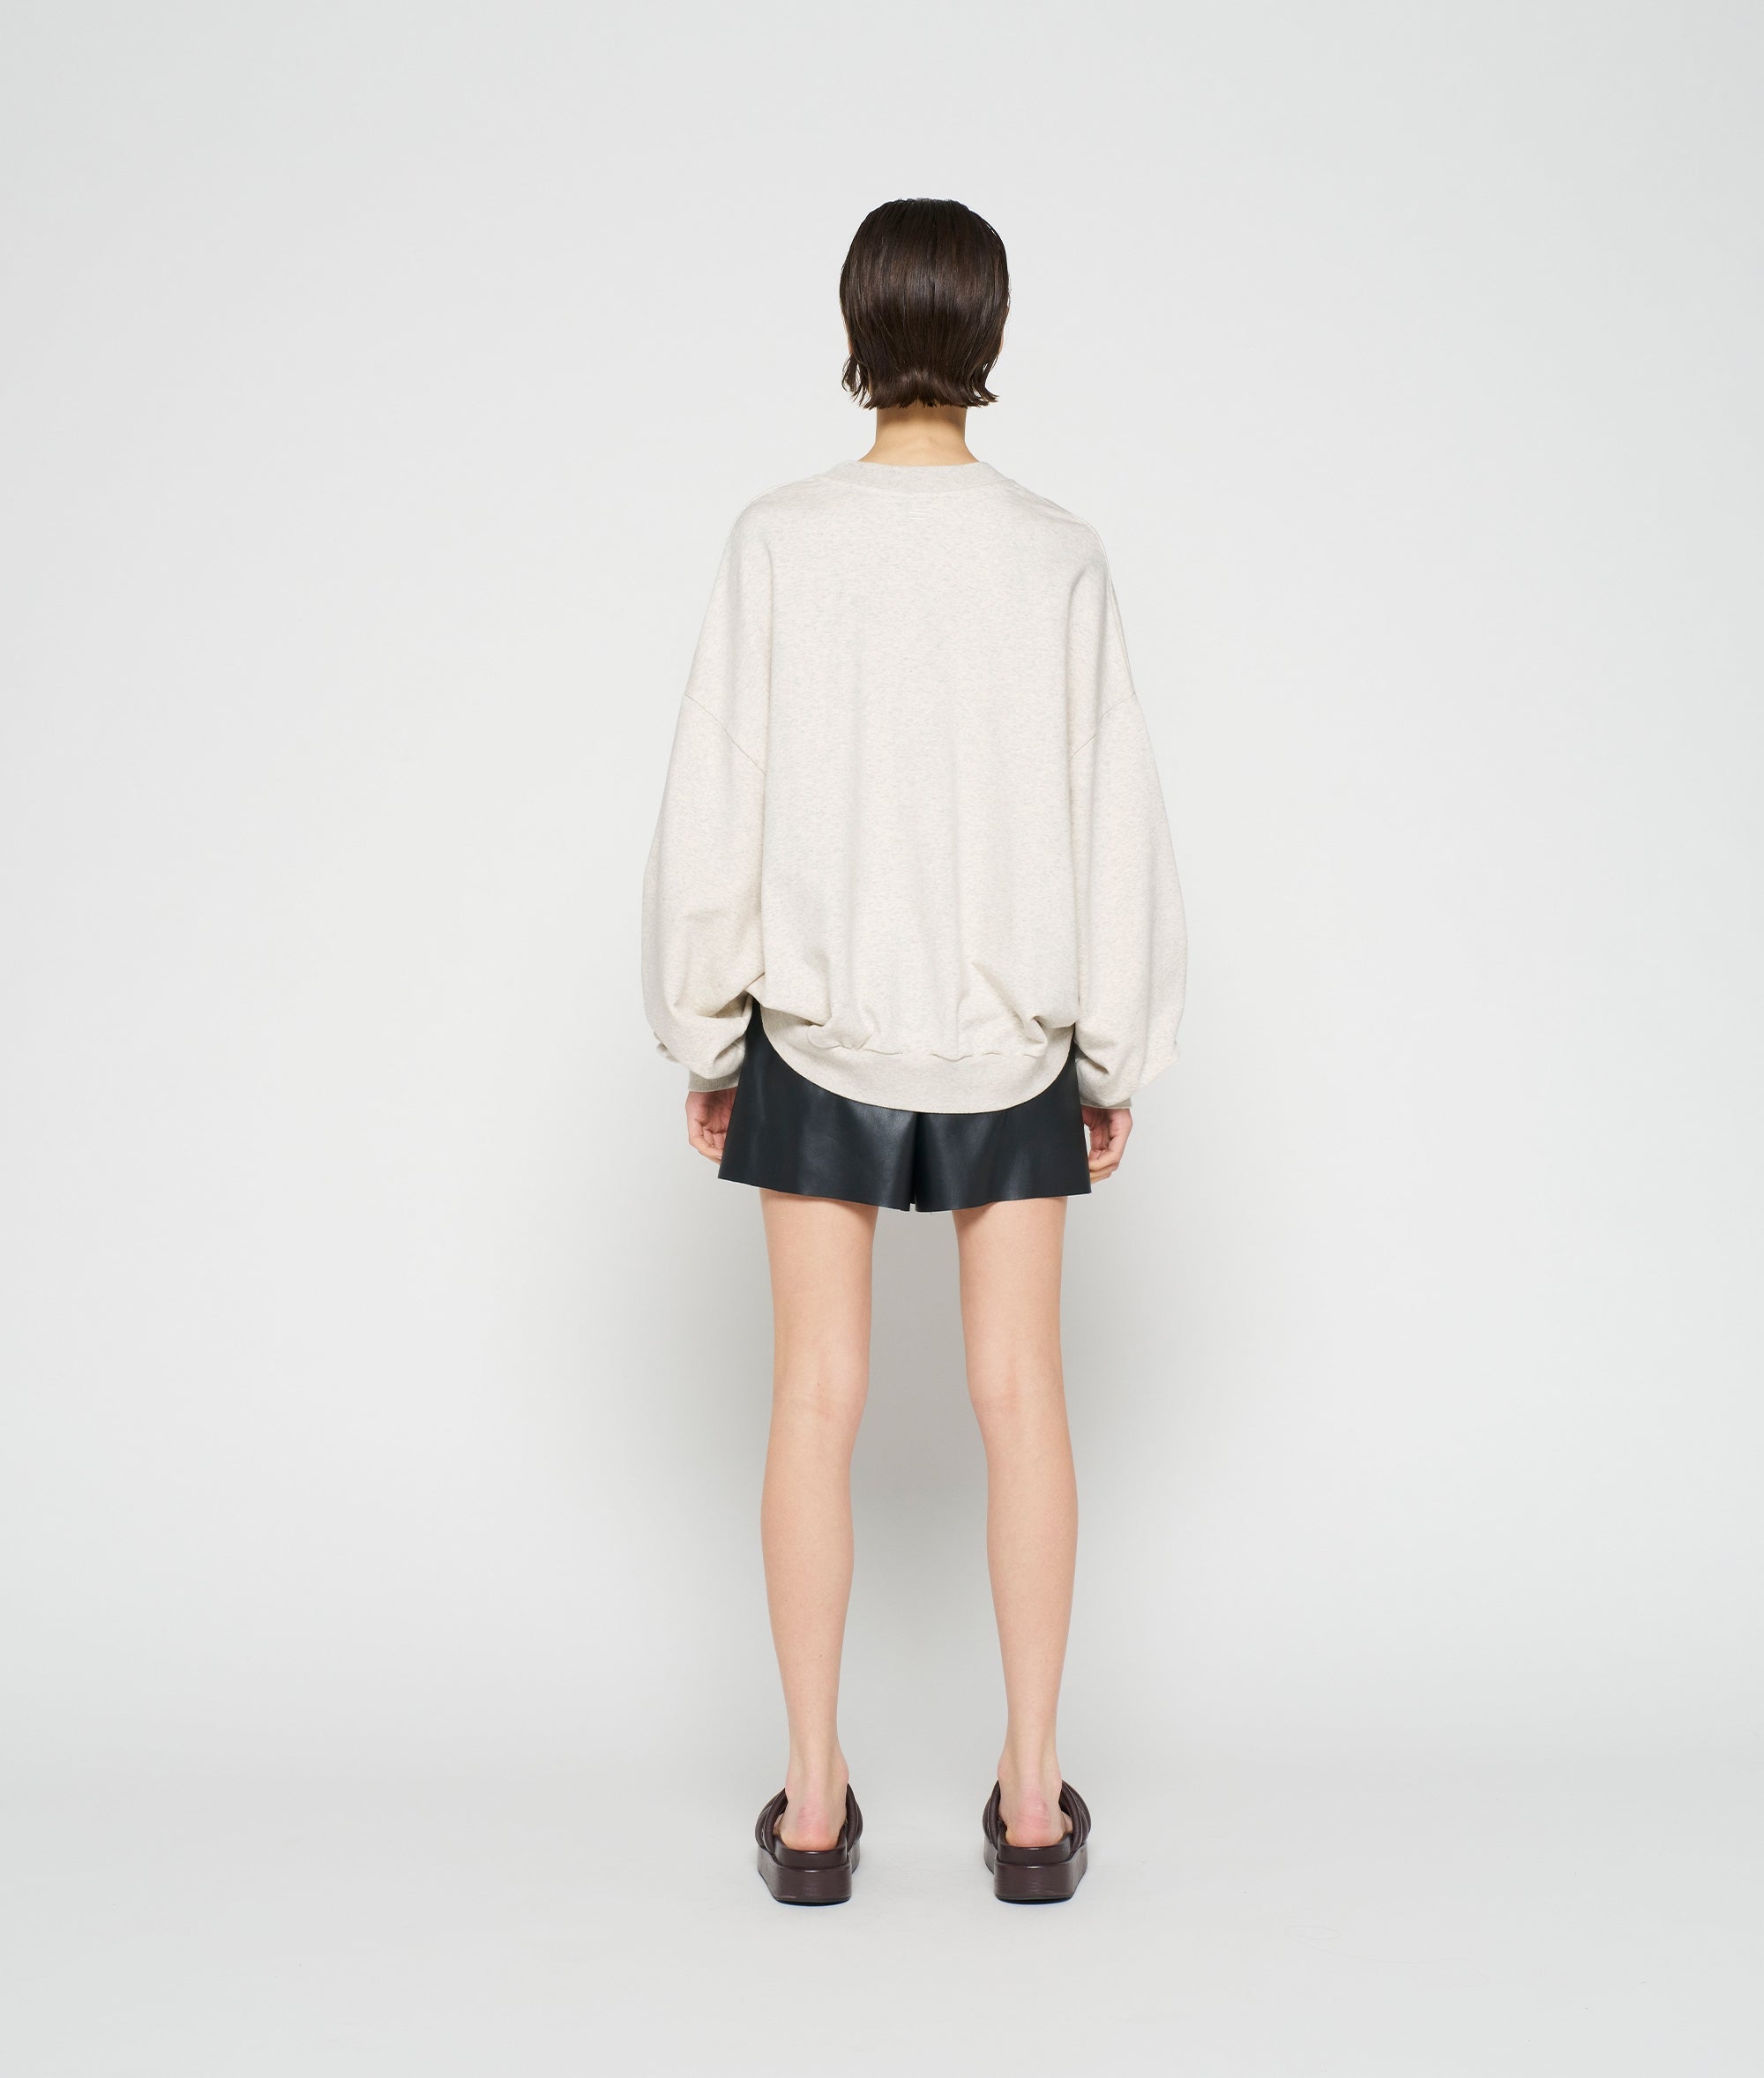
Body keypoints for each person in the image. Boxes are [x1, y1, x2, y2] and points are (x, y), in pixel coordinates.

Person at [640, 197, 1186, 1904]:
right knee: (1022, 1395)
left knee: (815, 1395)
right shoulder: (1056, 554)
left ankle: (813, 1810)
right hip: (1010, 1038)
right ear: (992, 334)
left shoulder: (780, 539)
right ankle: (1029, 1806)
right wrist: (1111, 1058)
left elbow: (717, 793)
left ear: (857, 328)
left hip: (816, 1031)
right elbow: (1112, 819)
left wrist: (703, 1026)